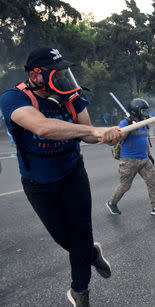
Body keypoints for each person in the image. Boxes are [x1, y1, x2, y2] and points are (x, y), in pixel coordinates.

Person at [0, 46, 122, 307]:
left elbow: (88, 134)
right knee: (63, 238)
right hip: (38, 183)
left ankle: (80, 291)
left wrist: (104, 135)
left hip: (72, 174)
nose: (65, 76)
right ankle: (92, 253)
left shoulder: (72, 96)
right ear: (36, 76)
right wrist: (94, 131)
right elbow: (42, 127)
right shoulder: (14, 98)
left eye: (66, 71)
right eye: (58, 72)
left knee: (80, 233)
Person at [106, 98, 155, 217]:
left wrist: (149, 155)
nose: (146, 113)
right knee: (125, 185)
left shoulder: (144, 124)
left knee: (152, 182)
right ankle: (112, 203)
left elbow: (145, 140)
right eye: (143, 111)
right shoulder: (125, 123)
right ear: (136, 111)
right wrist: (129, 125)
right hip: (129, 160)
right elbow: (120, 138)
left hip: (144, 159)